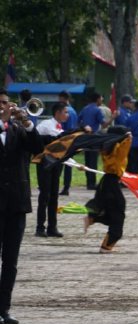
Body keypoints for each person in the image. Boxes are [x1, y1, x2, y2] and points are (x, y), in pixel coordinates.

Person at [0, 88, 44, 324]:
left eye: (6, 103)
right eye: (0, 103)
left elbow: (38, 148)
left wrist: (27, 124)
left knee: (11, 260)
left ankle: (4, 308)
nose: (5, 107)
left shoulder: (18, 129)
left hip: (16, 202)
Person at [83, 126, 132, 253]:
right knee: (118, 214)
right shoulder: (118, 147)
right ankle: (106, 246)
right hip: (111, 184)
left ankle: (93, 218)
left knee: (111, 212)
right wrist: (127, 138)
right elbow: (125, 144)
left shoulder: (108, 147)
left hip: (106, 182)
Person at [35, 102, 70, 238]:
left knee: (54, 195)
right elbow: (35, 139)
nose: (67, 115)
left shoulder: (59, 127)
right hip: (45, 163)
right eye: (65, 112)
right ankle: (40, 227)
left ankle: (52, 227)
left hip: (56, 163)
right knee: (45, 195)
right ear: (57, 112)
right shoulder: (45, 125)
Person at [79, 92, 115, 189]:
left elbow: (79, 121)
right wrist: (113, 117)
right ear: (98, 99)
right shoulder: (97, 110)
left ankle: (88, 182)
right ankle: (92, 183)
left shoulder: (84, 109)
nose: (102, 100)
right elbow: (104, 125)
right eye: (101, 98)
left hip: (85, 136)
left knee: (87, 159)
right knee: (93, 160)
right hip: (94, 137)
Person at [58, 90, 79, 196]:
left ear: (63, 98)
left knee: (61, 163)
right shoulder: (73, 110)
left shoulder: (66, 111)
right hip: (73, 140)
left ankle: (63, 187)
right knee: (68, 164)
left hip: (66, 139)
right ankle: (66, 186)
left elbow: (68, 128)